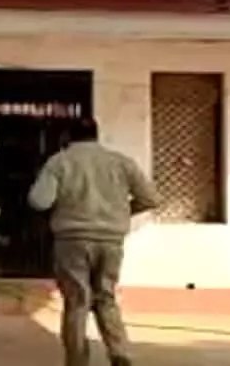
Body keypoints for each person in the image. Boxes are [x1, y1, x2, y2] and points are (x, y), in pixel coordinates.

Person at [28, 118, 159, 366]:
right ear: (96, 134)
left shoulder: (60, 162)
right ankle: (120, 352)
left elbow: (39, 201)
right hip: (111, 240)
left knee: (77, 301)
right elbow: (150, 198)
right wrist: (121, 213)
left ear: (67, 136)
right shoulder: (121, 162)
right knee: (106, 297)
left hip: (72, 241)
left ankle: (77, 360)